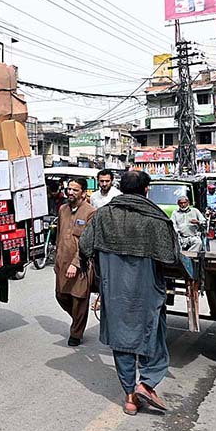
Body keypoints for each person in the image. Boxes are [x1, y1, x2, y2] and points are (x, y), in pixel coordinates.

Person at [80, 170, 180, 416]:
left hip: (113, 291)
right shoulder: (156, 219)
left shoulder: (103, 215)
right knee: (152, 335)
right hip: (146, 289)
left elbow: (84, 246)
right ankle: (146, 383)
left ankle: (129, 398)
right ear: (146, 190)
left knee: (122, 340)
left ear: (122, 188)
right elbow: (172, 256)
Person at [54, 178, 96, 346]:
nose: (70, 192)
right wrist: (57, 259)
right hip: (62, 261)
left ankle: (76, 333)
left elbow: (89, 241)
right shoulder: (62, 209)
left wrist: (76, 263)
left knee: (79, 298)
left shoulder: (91, 212)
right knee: (61, 295)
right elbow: (58, 236)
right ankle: (78, 320)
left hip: (82, 263)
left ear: (84, 193)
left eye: (75, 190)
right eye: (69, 189)